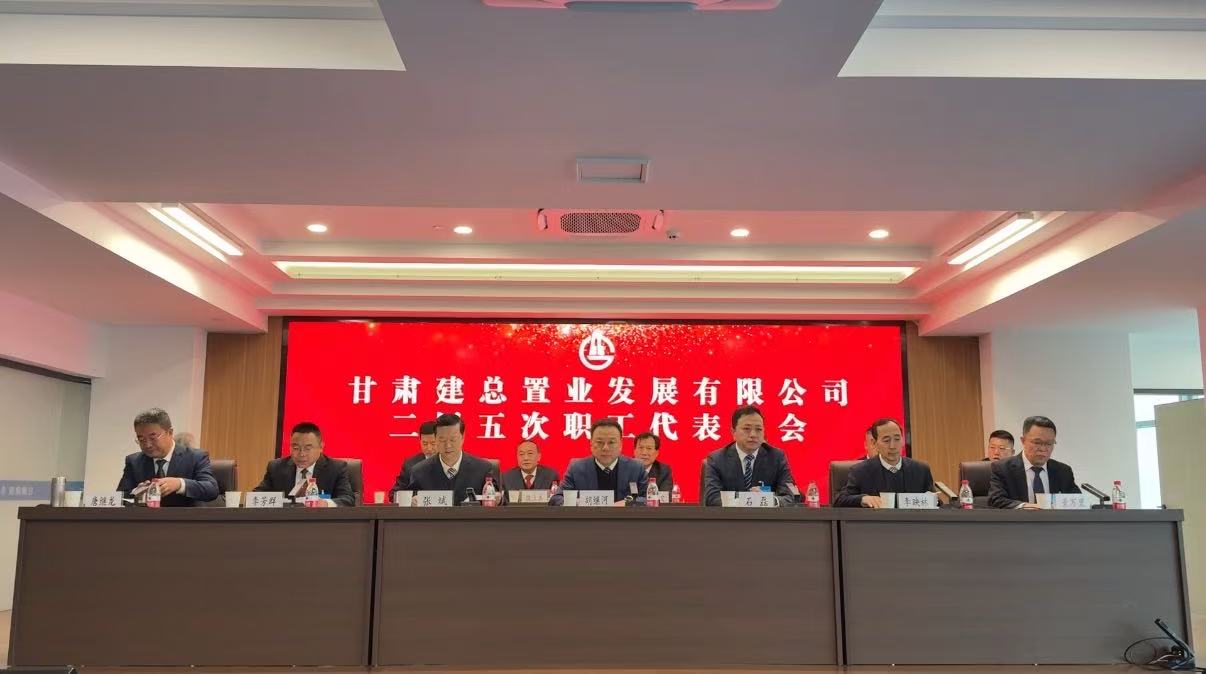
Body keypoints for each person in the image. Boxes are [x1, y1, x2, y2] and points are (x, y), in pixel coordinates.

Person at [117, 408, 219, 506]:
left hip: (183, 517)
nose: (147, 445)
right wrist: (136, 492)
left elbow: (211, 489)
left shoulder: (195, 457)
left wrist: (179, 484)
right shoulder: (134, 461)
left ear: (170, 433)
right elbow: (119, 498)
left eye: (153, 438)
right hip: (146, 517)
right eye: (141, 439)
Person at [701, 406, 796, 506]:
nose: (753, 434)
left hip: (766, 516)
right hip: (730, 516)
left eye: (758, 429)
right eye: (746, 429)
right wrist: (750, 500)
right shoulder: (717, 460)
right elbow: (712, 499)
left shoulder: (777, 457)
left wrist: (770, 500)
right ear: (733, 432)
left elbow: (791, 496)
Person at [834, 418, 934, 508]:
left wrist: (932, 500)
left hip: (913, 522)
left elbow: (937, 502)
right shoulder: (861, 471)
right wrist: (863, 499)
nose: (892, 446)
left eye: (897, 439)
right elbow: (839, 500)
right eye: (886, 441)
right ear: (874, 444)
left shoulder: (921, 470)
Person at [405, 413, 501, 505]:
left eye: (453, 439)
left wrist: (498, 499)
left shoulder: (483, 469)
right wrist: (411, 502)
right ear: (435, 438)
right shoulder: (419, 472)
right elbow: (408, 505)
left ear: (463, 437)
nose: (448, 445)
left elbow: (501, 503)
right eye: (442, 440)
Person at [253, 421, 356, 506]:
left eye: (308, 448)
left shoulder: (336, 468)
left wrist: (325, 503)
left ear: (321, 447)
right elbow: (256, 496)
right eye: (295, 448)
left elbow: (348, 499)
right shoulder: (276, 467)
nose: (301, 454)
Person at [988, 416, 1080, 509]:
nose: (1043, 449)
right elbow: (996, 500)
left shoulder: (1063, 471)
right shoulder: (1003, 468)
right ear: (1023, 441)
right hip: (1019, 518)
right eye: (1037, 443)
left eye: (1049, 443)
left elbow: (1078, 502)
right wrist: (1025, 506)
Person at [553, 418, 648, 504]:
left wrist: (626, 503)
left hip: (624, 518)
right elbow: (557, 499)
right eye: (599, 442)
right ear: (591, 443)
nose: (605, 448)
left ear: (620, 444)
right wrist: (581, 503)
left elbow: (648, 498)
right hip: (588, 517)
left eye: (611, 442)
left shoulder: (636, 467)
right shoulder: (576, 468)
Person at [390, 420, 438, 493]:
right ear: (420, 441)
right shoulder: (410, 464)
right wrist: (411, 498)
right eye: (425, 444)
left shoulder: (452, 462)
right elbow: (395, 493)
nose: (429, 448)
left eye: (433, 443)